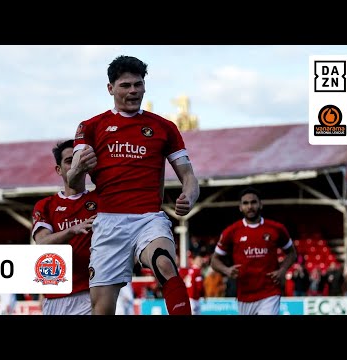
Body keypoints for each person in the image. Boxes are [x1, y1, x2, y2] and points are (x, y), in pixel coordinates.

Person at [67, 55, 200, 315]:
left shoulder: (164, 127)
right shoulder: (91, 127)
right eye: (125, 86)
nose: (133, 91)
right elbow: (73, 181)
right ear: (110, 89)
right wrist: (79, 167)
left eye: (138, 85)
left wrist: (190, 195)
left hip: (148, 218)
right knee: (102, 309)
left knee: (164, 263)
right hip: (108, 223)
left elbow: (189, 177)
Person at [31, 139, 98, 315]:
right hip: (54, 298)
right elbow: (43, 242)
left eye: (78, 159)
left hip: (89, 294)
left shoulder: (101, 200)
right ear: (59, 170)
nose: (75, 165)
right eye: (69, 161)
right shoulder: (45, 205)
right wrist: (72, 230)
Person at [210, 186, 297, 315]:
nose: (250, 206)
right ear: (240, 207)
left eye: (253, 202)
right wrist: (227, 270)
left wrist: (283, 270)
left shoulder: (276, 228)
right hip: (244, 294)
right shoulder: (231, 232)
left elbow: (292, 253)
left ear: (260, 205)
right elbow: (214, 260)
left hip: (270, 291)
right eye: (245, 203)